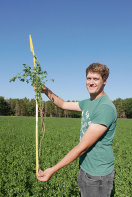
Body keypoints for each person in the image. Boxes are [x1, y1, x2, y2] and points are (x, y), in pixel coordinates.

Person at [36, 62, 117, 197]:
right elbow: (62, 104)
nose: (91, 82)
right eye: (89, 78)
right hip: (85, 168)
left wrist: (53, 170)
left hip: (98, 175)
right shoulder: (88, 102)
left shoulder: (105, 108)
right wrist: (46, 91)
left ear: (105, 81)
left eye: (96, 79)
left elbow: (82, 147)